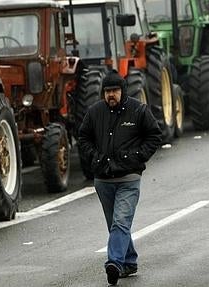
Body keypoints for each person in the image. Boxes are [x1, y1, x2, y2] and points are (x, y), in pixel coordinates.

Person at [78, 70, 162, 285]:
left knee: (120, 223)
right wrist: (94, 158)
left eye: (114, 91)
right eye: (107, 92)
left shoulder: (139, 110)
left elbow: (154, 136)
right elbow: (83, 137)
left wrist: (137, 158)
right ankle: (130, 262)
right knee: (116, 225)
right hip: (103, 181)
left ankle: (114, 262)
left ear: (122, 91)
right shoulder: (95, 112)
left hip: (129, 179)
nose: (110, 95)